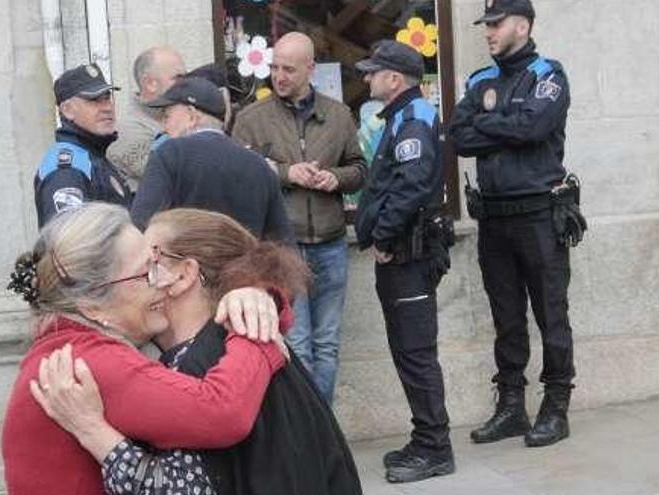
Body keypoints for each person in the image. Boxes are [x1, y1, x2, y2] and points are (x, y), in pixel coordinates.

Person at [32, 208, 364, 495]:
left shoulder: (200, 365)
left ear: (183, 275)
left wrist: (93, 430)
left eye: (149, 263)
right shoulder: (246, 341)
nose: (138, 276)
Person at [2, 202, 289, 495]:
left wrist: (259, 298)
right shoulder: (87, 362)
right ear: (91, 304)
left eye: (156, 263)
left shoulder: (68, 343)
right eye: (145, 274)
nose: (160, 281)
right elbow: (223, 413)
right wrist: (257, 326)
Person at [449, 0, 581, 448]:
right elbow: (458, 137)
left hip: (539, 215)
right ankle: (510, 407)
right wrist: (503, 124)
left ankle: (556, 404)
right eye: (486, 24)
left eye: (495, 23)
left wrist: (488, 122)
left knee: (551, 314)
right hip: (495, 220)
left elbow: (533, 127)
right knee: (506, 318)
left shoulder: (548, 75)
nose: (487, 32)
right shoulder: (480, 79)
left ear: (521, 26)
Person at [231, 32, 367, 404]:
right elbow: (240, 172)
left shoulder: (338, 115)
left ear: (311, 68)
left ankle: (322, 431)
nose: (279, 76)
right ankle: (314, 436)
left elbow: (359, 168)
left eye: (288, 69)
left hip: (331, 243)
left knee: (327, 344)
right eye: (274, 67)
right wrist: (286, 174)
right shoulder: (251, 119)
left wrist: (334, 178)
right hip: (282, 248)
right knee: (299, 344)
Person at [353, 40, 455, 483]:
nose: (367, 78)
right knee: (408, 350)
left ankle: (435, 448)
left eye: (373, 72)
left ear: (394, 79)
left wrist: (386, 237)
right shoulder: (402, 119)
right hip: (404, 253)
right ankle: (425, 438)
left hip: (409, 255)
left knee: (415, 352)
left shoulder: (413, 122)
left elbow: (410, 189)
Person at [130, 77, 294, 242]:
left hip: (183, 264)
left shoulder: (170, 154)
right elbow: (283, 244)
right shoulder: (259, 165)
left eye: (167, 117)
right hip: (245, 265)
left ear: (192, 115)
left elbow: (141, 225)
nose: (164, 128)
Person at [34, 64, 132, 228]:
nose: (107, 107)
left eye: (107, 98)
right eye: (94, 100)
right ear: (67, 110)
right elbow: (68, 243)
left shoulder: (93, 155)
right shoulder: (67, 169)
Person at [106, 46, 186, 188]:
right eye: (178, 78)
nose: (186, 84)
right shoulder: (127, 131)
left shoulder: (179, 114)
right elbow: (172, 173)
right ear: (150, 84)